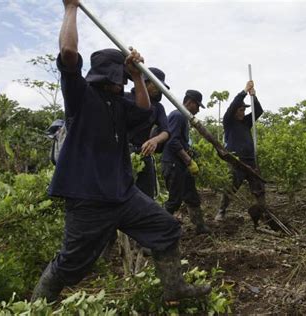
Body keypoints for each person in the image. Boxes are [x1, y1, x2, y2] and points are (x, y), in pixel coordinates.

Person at [31, 0, 210, 303]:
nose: (122, 83)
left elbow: (144, 109)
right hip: (88, 200)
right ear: (108, 76)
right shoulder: (80, 97)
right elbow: (69, 55)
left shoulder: (121, 105)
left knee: (166, 228)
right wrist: (70, 9)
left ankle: (174, 289)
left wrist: (138, 74)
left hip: (123, 195)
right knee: (71, 264)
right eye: (121, 77)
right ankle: (36, 305)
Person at [215, 80, 266, 223]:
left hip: (250, 160)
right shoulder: (228, 121)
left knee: (258, 187)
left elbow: (259, 111)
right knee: (231, 187)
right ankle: (221, 211)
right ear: (234, 112)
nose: (243, 113)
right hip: (236, 160)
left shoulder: (246, 122)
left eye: (244, 110)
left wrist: (253, 96)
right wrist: (244, 91)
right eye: (241, 110)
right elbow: (232, 105)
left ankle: (263, 212)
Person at [161, 90, 211, 235]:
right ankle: (159, 230)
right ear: (190, 102)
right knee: (174, 201)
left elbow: (180, 142)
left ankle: (200, 226)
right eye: (197, 106)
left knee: (192, 197)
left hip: (181, 166)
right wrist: (189, 161)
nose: (197, 110)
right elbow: (173, 141)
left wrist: (189, 152)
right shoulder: (178, 116)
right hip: (173, 165)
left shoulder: (182, 117)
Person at [125, 67, 170, 199]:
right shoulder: (125, 98)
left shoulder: (158, 107)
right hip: (121, 152)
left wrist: (155, 140)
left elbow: (166, 131)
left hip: (143, 153)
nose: (158, 89)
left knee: (146, 196)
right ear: (145, 82)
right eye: (156, 85)